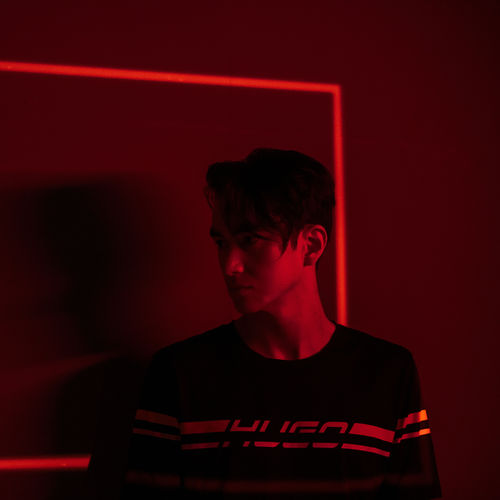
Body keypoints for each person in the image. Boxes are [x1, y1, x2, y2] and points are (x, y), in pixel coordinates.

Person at [119, 148, 442, 499]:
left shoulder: (388, 374)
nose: (229, 265)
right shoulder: (178, 374)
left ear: (311, 245)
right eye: (221, 243)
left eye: (250, 240)